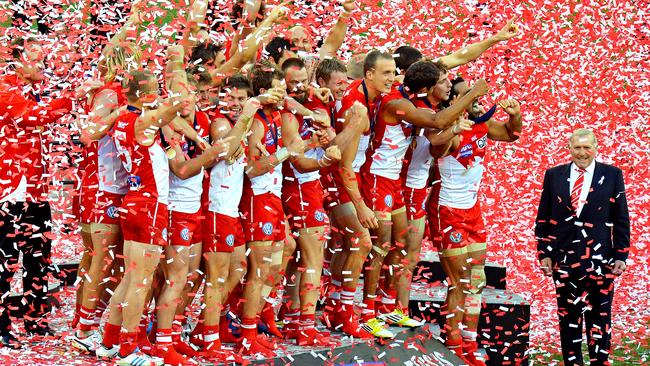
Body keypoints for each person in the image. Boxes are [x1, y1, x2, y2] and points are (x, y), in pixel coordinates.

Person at [535, 128, 629, 366]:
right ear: (569, 148)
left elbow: (621, 218)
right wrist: (544, 252)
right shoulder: (554, 175)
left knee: (599, 319)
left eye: (587, 147)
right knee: (568, 321)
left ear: (596, 147)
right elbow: (543, 217)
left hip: (601, 261)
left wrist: (621, 254)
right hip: (564, 260)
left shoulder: (612, 175)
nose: (582, 152)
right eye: (577, 147)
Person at [0, 36, 72, 348]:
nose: (43, 65)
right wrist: (72, 98)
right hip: (9, 191)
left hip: (36, 189)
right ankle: (2, 326)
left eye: (44, 59)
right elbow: (32, 117)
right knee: (6, 262)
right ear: (17, 59)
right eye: (37, 59)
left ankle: (35, 319)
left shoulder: (34, 90)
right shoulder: (5, 89)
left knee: (38, 258)